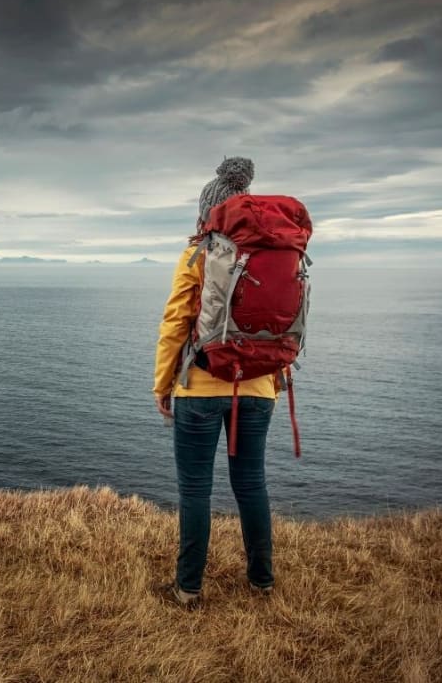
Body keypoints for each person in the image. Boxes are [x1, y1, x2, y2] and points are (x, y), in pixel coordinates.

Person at [153, 156, 278, 610]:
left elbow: (175, 323)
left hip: (200, 388)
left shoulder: (197, 255)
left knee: (195, 490)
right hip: (258, 387)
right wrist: (275, 381)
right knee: (251, 483)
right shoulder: (271, 256)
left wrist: (162, 385)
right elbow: (281, 324)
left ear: (206, 212)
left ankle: (188, 588)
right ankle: (262, 581)